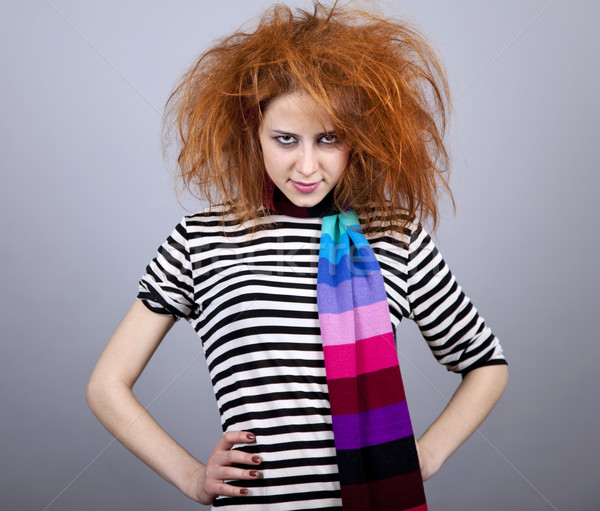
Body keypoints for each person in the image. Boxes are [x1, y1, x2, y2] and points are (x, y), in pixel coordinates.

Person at [87, 2, 508, 510]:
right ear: (253, 132)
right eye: (285, 139)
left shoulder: (395, 235)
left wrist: (426, 456)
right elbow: (107, 385)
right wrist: (192, 477)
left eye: (328, 139)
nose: (306, 165)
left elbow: (486, 362)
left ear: (359, 139)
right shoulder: (200, 238)